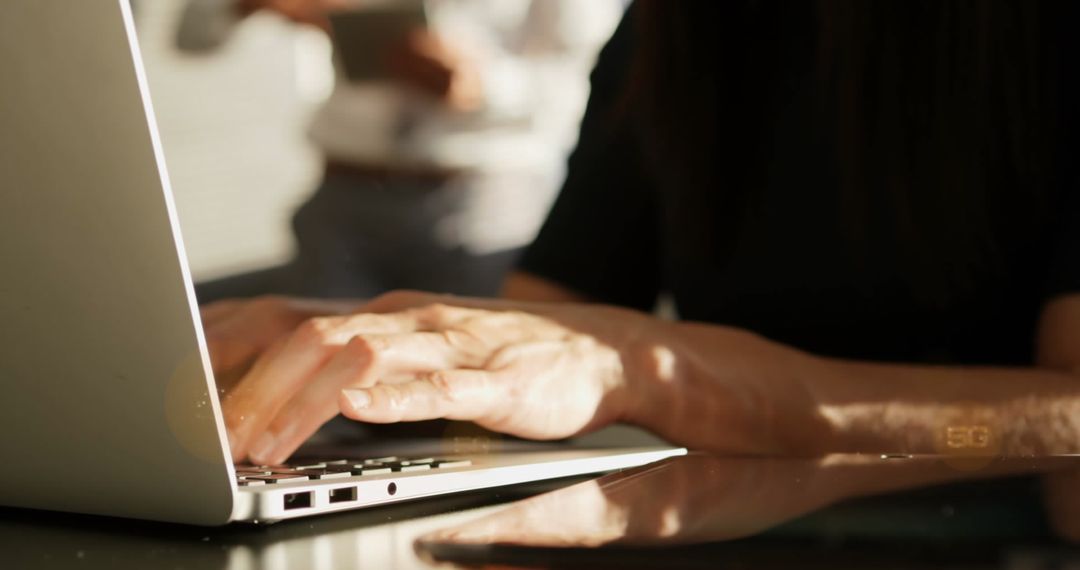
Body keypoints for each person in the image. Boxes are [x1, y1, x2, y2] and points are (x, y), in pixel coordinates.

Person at [201, 1, 1080, 472]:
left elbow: (1066, 420)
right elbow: (552, 313)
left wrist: (659, 374)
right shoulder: (677, 25)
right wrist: (370, 344)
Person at [176, 0, 624, 299]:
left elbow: (600, 82)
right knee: (312, 396)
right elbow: (191, 34)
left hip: (477, 204)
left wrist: (484, 85)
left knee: (462, 413)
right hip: (343, 196)